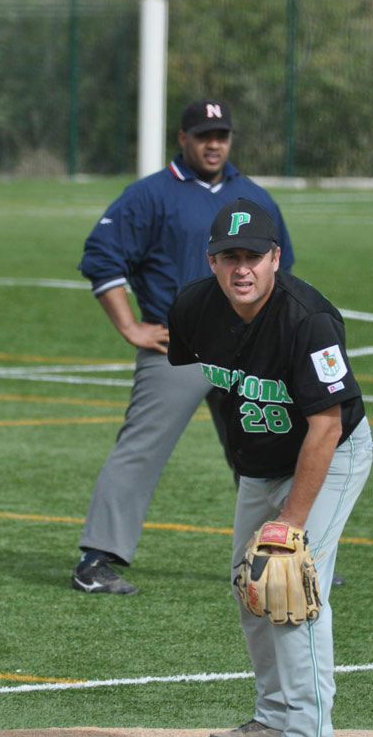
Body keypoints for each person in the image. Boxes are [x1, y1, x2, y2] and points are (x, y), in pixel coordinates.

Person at [167, 198, 373, 737]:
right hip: (261, 464)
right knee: (251, 584)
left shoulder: (309, 320)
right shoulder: (192, 308)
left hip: (330, 456)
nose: (242, 269)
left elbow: (326, 426)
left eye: (253, 256)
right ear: (211, 261)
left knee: (289, 581)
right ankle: (275, 714)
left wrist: (292, 523)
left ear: (275, 258)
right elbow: (215, 381)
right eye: (229, 256)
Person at [71, 99, 294, 595]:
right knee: (140, 449)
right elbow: (102, 256)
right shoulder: (149, 194)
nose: (214, 144)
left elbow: (280, 271)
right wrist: (131, 327)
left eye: (221, 135)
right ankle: (95, 559)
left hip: (246, 349)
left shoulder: (253, 196)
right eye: (203, 135)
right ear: (183, 138)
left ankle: (283, 554)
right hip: (180, 347)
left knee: (268, 448)